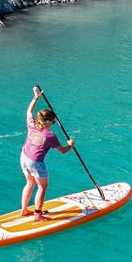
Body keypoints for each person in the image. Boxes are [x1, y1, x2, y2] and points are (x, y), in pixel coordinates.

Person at [19, 87, 76, 219]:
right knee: (42, 188)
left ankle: (24, 210)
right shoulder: (50, 135)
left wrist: (35, 97)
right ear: (48, 121)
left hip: (24, 156)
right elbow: (62, 151)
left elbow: (29, 111)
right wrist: (70, 146)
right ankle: (38, 216)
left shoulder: (32, 124)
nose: (54, 123)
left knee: (29, 183)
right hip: (35, 162)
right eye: (53, 121)